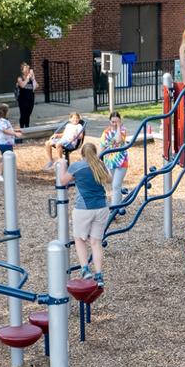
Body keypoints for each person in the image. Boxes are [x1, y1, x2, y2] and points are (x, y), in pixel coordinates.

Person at [58, 143, 112, 283]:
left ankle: (85, 269)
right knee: (96, 242)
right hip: (102, 207)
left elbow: (63, 181)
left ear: (82, 154)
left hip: (84, 208)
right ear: (94, 153)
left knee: (80, 240)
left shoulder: (77, 166)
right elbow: (109, 179)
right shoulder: (100, 165)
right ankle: (99, 275)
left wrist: (63, 164)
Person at [99, 110, 129, 195]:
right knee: (113, 186)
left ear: (120, 121)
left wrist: (119, 126)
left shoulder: (122, 130)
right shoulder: (106, 132)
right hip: (109, 161)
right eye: (113, 122)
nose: (115, 124)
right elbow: (102, 146)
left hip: (121, 161)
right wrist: (98, 160)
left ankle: (115, 207)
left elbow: (118, 140)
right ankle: (117, 206)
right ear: (109, 121)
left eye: (117, 122)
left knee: (116, 186)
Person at [0, 103, 22, 182]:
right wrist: (15, 134)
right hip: (4, 143)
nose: (9, 112)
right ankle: (0, 175)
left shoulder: (1, 121)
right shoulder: (2, 121)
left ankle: (8, 175)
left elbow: (6, 129)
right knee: (7, 159)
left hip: (4, 142)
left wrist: (15, 130)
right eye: (8, 111)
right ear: (4, 112)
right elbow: (5, 131)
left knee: (7, 158)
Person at [16, 61, 39, 129]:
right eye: (25, 70)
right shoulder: (20, 78)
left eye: (28, 70)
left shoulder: (31, 78)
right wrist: (27, 78)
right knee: (23, 114)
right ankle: (22, 128)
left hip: (31, 98)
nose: (27, 71)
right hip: (23, 99)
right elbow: (22, 85)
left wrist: (33, 78)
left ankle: (27, 127)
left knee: (28, 114)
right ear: (22, 70)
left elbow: (36, 86)